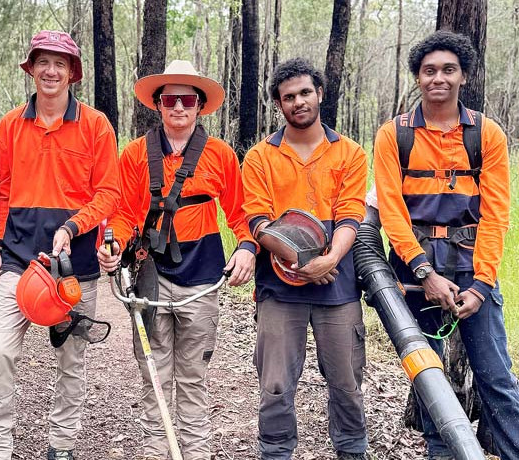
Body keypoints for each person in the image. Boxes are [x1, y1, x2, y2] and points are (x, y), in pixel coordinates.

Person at [97, 60, 256, 460]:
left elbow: (241, 214)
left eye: (188, 99)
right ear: (158, 104)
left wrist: (247, 247)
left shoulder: (220, 155)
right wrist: (112, 245)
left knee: (192, 378)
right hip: (148, 275)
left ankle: (196, 452)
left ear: (200, 105)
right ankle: (156, 450)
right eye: (171, 100)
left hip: (202, 277)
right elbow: (120, 211)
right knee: (154, 375)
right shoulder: (134, 154)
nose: (179, 108)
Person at [373, 30, 519, 460]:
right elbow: (392, 214)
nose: (439, 78)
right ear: (418, 78)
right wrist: (423, 272)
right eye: (429, 70)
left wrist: (480, 285)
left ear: (464, 76)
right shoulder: (393, 134)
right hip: (414, 274)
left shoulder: (486, 134)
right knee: (428, 376)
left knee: (496, 379)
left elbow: (496, 215)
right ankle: (441, 454)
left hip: (472, 269)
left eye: (448, 70)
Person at [0, 30, 121, 460]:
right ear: (31, 68)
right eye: (43, 61)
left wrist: (74, 227)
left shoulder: (96, 125)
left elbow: (109, 193)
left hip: (75, 267)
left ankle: (61, 444)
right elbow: (0, 191)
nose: (51, 70)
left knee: (71, 361)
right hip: (19, 261)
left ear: (72, 73)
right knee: (0, 352)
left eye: (60, 63)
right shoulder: (9, 124)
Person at [241, 58, 369, 460]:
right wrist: (302, 262)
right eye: (288, 97)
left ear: (320, 94)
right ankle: (275, 451)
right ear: (279, 105)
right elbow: (258, 222)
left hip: (339, 285)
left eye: (304, 93)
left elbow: (351, 215)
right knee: (275, 383)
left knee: (347, 380)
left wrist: (329, 259)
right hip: (279, 288)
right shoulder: (261, 156)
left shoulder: (349, 152)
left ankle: (352, 450)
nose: (298, 102)